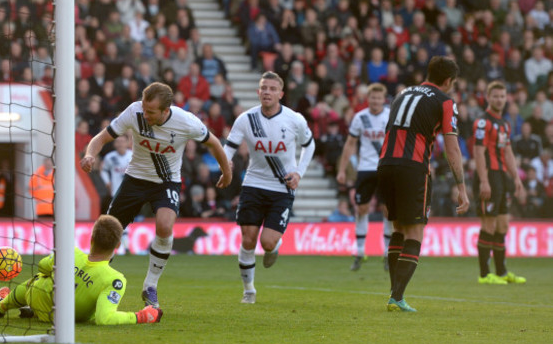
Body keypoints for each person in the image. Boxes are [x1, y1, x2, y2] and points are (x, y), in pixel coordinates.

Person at [80, 82, 232, 308]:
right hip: (135, 179)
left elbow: (215, 144)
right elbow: (102, 137)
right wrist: (90, 155)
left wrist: (227, 172)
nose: (145, 114)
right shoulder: (134, 111)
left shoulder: (186, 122)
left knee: (164, 225)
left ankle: (150, 285)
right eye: (144, 108)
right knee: (107, 231)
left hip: (166, 182)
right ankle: (88, 284)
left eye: (151, 112)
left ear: (165, 110)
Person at [378, 56, 470, 312]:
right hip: (413, 167)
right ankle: (397, 297)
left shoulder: (402, 93)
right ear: (449, 81)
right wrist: (461, 187)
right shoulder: (445, 101)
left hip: (385, 163)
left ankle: (394, 294)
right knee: (415, 232)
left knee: (398, 228)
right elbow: (451, 147)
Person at [223, 71, 315, 304]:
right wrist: (226, 167)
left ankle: (274, 248)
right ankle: (249, 291)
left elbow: (309, 145)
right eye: (264, 88)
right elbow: (230, 146)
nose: (267, 92)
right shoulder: (246, 118)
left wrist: (299, 173)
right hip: (253, 184)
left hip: (282, 187)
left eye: (272, 89)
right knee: (248, 240)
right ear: (258, 91)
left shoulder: (294, 119)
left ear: (281, 94)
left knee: (267, 242)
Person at [0, 215, 162, 325]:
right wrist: (140, 316)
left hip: (39, 298)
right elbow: (105, 319)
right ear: (118, 245)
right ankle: (30, 309)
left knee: (38, 278)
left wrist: (58, 266)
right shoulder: (114, 280)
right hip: (67, 317)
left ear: (92, 238)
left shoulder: (71, 252)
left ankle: (1, 307)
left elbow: (42, 266)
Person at [473, 81, 526, 285]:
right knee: (489, 222)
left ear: (506, 99)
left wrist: (515, 177)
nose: (499, 99)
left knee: (502, 224)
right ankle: (485, 274)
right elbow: (478, 152)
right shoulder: (482, 122)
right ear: (488, 97)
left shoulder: (504, 124)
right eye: (495, 96)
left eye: (502, 96)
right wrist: (484, 180)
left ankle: (502, 272)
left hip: (502, 176)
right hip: (488, 175)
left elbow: (508, 151)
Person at [336, 83, 393, 271]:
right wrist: (342, 169)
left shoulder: (390, 116)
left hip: (386, 167)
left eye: (379, 98)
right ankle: (360, 251)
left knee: (387, 209)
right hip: (366, 168)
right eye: (373, 98)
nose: (376, 101)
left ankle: (387, 252)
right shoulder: (360, 118)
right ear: (368, 99)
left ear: (383, 99)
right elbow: (350, 143)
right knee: (362, 208)